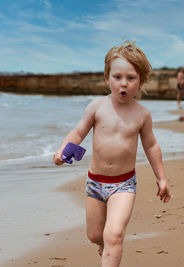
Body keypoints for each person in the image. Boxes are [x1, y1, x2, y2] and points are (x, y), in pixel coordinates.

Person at [53, 41, 171, 267]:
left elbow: (151, 146)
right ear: (108, 77)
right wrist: (62, 151)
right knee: (96, 236)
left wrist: (162, 178)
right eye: (117, 77)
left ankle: (109, 251)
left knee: (114, 235)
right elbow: (78, 132)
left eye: (131, 78)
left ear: (141, 81)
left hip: (124, 184)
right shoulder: (97, 107)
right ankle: (103, 245)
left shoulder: (142, 115)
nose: (123, 84)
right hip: (95, 182)